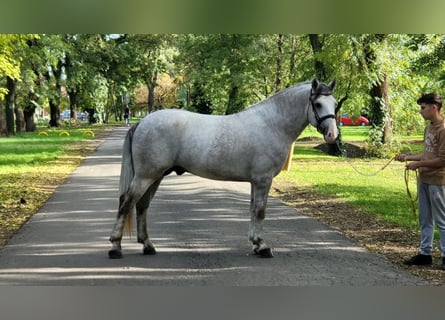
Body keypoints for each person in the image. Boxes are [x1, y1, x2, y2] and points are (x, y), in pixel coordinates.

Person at [396, 93, 445, 270]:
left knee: (442, 220)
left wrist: (419, 164)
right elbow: (426, 154)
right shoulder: (428, 128)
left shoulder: (443, 129)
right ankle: (425, 254)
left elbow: (442, 160)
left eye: (423, 107)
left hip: (438, 181)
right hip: (424, 179)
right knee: (425, 219)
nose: (420, 111)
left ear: (434, 107)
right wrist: (407, 157)